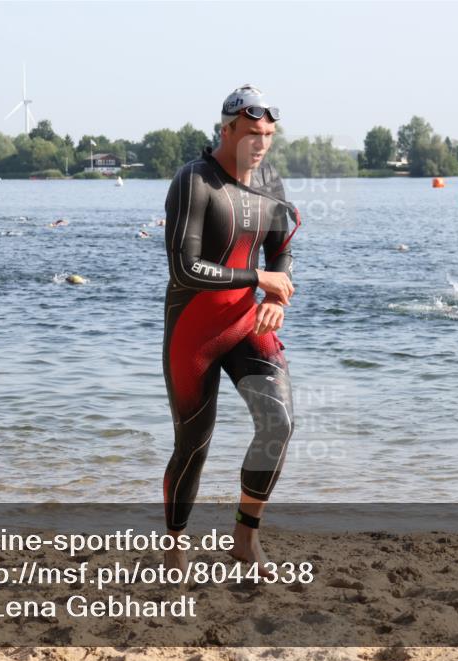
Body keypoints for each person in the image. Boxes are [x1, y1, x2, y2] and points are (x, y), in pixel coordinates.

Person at [161, 85, 295, 571]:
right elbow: (185, 268)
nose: (260, 144)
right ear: (227, 130)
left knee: (278, 422)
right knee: (193, 445)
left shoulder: (271, 183)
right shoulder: (194, 181)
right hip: (193, 332)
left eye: (268, 135)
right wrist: (259, 277)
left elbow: (281, 247)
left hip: (246, 322)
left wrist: (277, 293)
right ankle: (175, 546)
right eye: (251, 133)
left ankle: (245, 537)